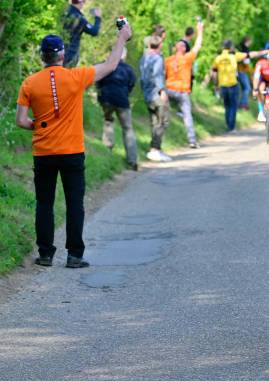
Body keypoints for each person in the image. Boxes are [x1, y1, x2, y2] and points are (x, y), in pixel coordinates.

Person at [15, 24, 132, 268]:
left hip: (43, 153)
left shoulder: (29, 83)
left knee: (44, 203)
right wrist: (122, 36)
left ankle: (45, 254)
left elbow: (21, 121)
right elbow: (111, 65)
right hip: (72, 153)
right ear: (62, 55)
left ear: (42, 56)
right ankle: (74, 255)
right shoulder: (76, 77)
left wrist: (39, 125)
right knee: (74, 204)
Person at [96, 48, 138, 170]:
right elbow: (132, 84)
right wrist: (125, 94)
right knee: (128, 128)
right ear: (124, 56)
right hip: (122, 101)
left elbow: (98, 82)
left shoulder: (106, 66)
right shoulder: (128, 69)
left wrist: (101, 95)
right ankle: (132, 159)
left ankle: (108, 151)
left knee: (108, 122)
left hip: (107, 99)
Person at [164, 19, 204, 148]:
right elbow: (198, 46)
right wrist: (200, 31)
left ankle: (163, 137)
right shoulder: (187, 59)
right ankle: (192, 140)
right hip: (183, 91)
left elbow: (162, 75)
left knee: (163, 112)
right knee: (187, 115)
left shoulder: (168, 60)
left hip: (169, 90)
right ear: (185, 49)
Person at [212, 40, 266, 132]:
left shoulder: (218, 58)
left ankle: (228, 125)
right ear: (230, 47)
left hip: (223, 85)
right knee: (233, 106)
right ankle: (231, 127)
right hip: (233, 84)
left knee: (227, 106)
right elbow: (249, 55)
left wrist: (216, 85)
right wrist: (262, 52)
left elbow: (214, 73)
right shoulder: (234, 56)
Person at [140, 35, 171, 162]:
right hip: (156, 94)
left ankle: (154, 149)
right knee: (163, 121)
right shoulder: (157, 58)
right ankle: (155, 149)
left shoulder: (144, 58)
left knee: (154, 121)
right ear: (160, 45)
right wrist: (162, 91)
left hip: (147, 93)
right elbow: (158, 75)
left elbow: (142, 77)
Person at [61, 0, 101, 67]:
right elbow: (94, 31)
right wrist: (97, 17)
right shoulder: (79, 18)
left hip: (58, 52)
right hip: (71, 54)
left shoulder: (64, 13)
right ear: (80, 2)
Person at [237, 36, 254, 110]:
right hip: (241, 70)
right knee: (247, 88)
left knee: (240, 88)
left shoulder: (239, 48)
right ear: (247, 41)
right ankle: (243, 104)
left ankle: (240, 103)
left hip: (236, 70)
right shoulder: (245, 50)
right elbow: (246, 62)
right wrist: (250, 72)